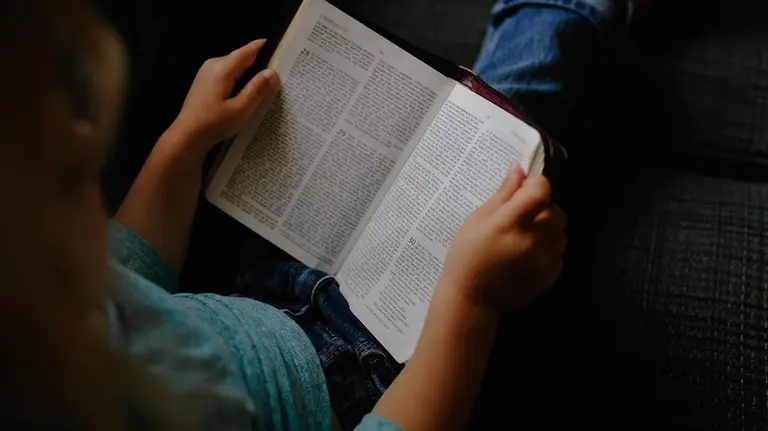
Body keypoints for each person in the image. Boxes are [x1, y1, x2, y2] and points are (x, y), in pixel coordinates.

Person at [0, 0, 627, 429]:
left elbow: (132, 265)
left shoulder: (53, 298)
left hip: (265, 293)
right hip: (366, 370)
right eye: (75, 180)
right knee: (512, 122)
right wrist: (471, 299)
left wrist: (182, 145)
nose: (96, 196)